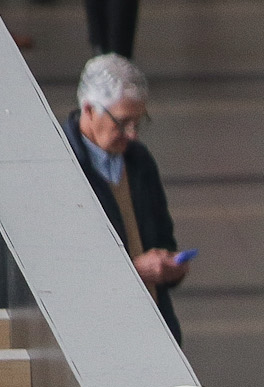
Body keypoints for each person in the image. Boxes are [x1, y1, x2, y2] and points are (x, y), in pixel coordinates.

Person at [63, 56, 188, 340]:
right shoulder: (62, 168)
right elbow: (66, 274)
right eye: (122, 123)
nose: (132, 134)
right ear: (89, 110)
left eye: (139, 122)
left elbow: (162, 238)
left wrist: (170, 267)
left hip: (154, 328)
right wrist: (134, 272)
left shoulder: (139, 161)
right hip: (99, 334)